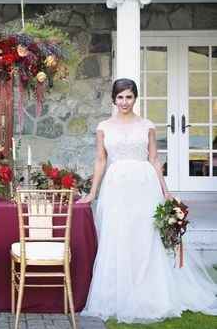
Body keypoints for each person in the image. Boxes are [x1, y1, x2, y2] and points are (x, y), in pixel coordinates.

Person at [79, 78, 217, 323]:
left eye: (129, 96)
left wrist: (165, 191)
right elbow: (100, 160)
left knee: (145, 236)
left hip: (144, 185)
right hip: (116, 185)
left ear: (135, 97)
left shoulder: (147, 125)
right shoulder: (104, 127)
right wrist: (92, 192)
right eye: (120, 97)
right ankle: (117, 294)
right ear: (113, 99)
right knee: (118, 235)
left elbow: (154, 159)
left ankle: (150, 293)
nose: (124, 102)